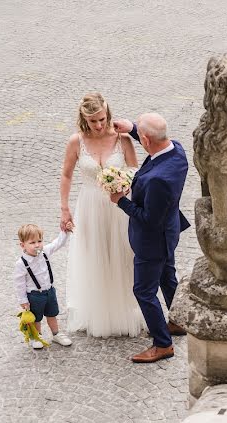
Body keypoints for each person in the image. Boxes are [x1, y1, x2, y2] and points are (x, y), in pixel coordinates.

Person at [61, 93, 144, 337]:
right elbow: (66, 175)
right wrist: (64, 208)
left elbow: (134, 169)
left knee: (122, 254)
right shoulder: (76, 142)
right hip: (89, 206)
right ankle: (98, 312)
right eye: (93, 121)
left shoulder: (123, 139)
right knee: (94, 254)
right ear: (84, 119)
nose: (98, 125)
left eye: (102, 119)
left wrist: (124, 183)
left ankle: (126, 311)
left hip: (118, 205)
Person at [110, 113, 190, 363]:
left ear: (145, 139)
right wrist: (133, 129)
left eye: (140, 135)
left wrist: (120, 201)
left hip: (153, 240)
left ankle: (163, 344)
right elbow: (154, 143)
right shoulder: (176, 151)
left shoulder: (158, 180)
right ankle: (179, 320)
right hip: (169, 232)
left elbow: (148, 219)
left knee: (144, 291)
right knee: (167, 277)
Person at [14, 224, 74, 349]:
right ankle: (37, 336)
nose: (37, 245)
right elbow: (19, 283)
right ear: (22, 245)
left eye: (39, 241)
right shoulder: (21, 263)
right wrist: (23, 300)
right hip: (34, 295)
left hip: (49, 291)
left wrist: (65, 231)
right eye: (32, 242)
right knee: (36, 318)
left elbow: (57, 243)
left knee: (52, 314)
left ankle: (56, 334)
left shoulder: (44, 252)